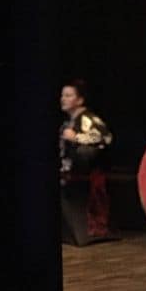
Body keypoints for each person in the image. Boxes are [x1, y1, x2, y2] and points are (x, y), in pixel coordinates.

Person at [59, 80, 114, 245]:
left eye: (68, 95)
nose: (63, 99)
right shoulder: (69, 121)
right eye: (63, 95)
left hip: (84, 173)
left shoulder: (89, 119)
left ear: (80, 100)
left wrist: (76, 138)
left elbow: (105, 137)